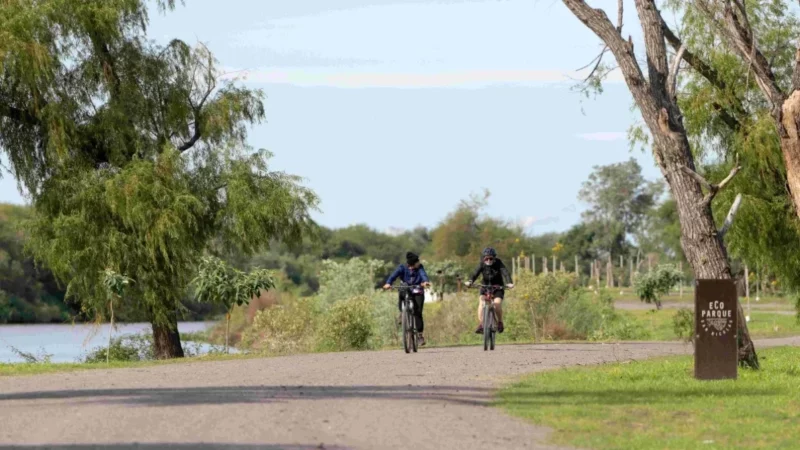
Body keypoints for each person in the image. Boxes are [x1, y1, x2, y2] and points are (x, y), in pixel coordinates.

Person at [383, 252, 431, 345]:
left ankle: (420, 336)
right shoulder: (402, 268)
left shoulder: (420, 267)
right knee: (401, 293)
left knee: (418, 313)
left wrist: (425, 282)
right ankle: (402, 312)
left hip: (417, 290)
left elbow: (423, 275)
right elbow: (393, 276)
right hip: (406, 288)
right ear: (412, 263)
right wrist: (388, 283)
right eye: (417, 262)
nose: (419, 263)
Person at [464, 247, 513, 334]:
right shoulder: (481, 264)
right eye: (486, 258)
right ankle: (482, 324)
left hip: (498, 287)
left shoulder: (498, 263)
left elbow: (505, 272)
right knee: (481, 302)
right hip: (485, 287)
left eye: (491, 258)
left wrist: (509, 282)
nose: (489, 260)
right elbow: (475, 273)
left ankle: (500, 322)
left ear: (494, 258)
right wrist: (470, 281)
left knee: (497, 304)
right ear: (483, 258)